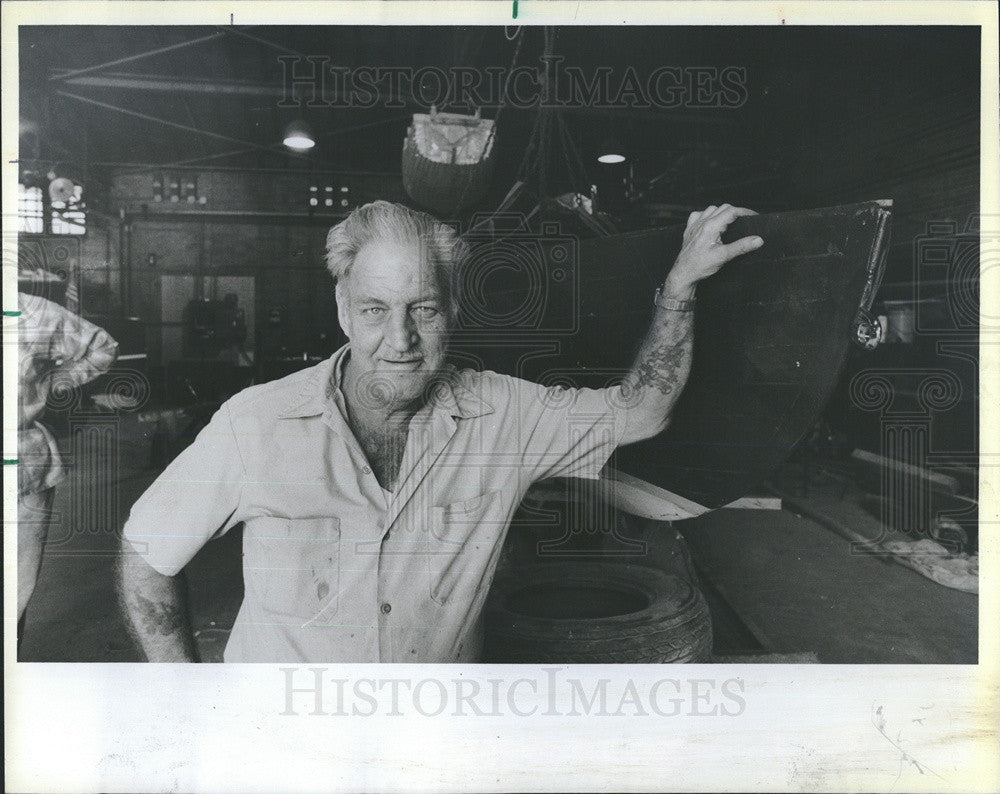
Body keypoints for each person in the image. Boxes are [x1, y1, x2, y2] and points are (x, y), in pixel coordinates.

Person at [118, 200, 762, 662]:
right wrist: (188, 705)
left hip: (433, 746)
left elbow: (641, 410)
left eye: (422, 310)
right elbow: (147, 558)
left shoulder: (504, 416)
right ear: (343, 310)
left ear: (450, 310)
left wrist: (679, 286)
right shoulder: (255, 425)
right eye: (375, 310)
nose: (399, 341)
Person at [18, 292, 118, 636]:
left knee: (13, 591)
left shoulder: (31, 312)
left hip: (21, 469)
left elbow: (101, 347)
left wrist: (53, 382)